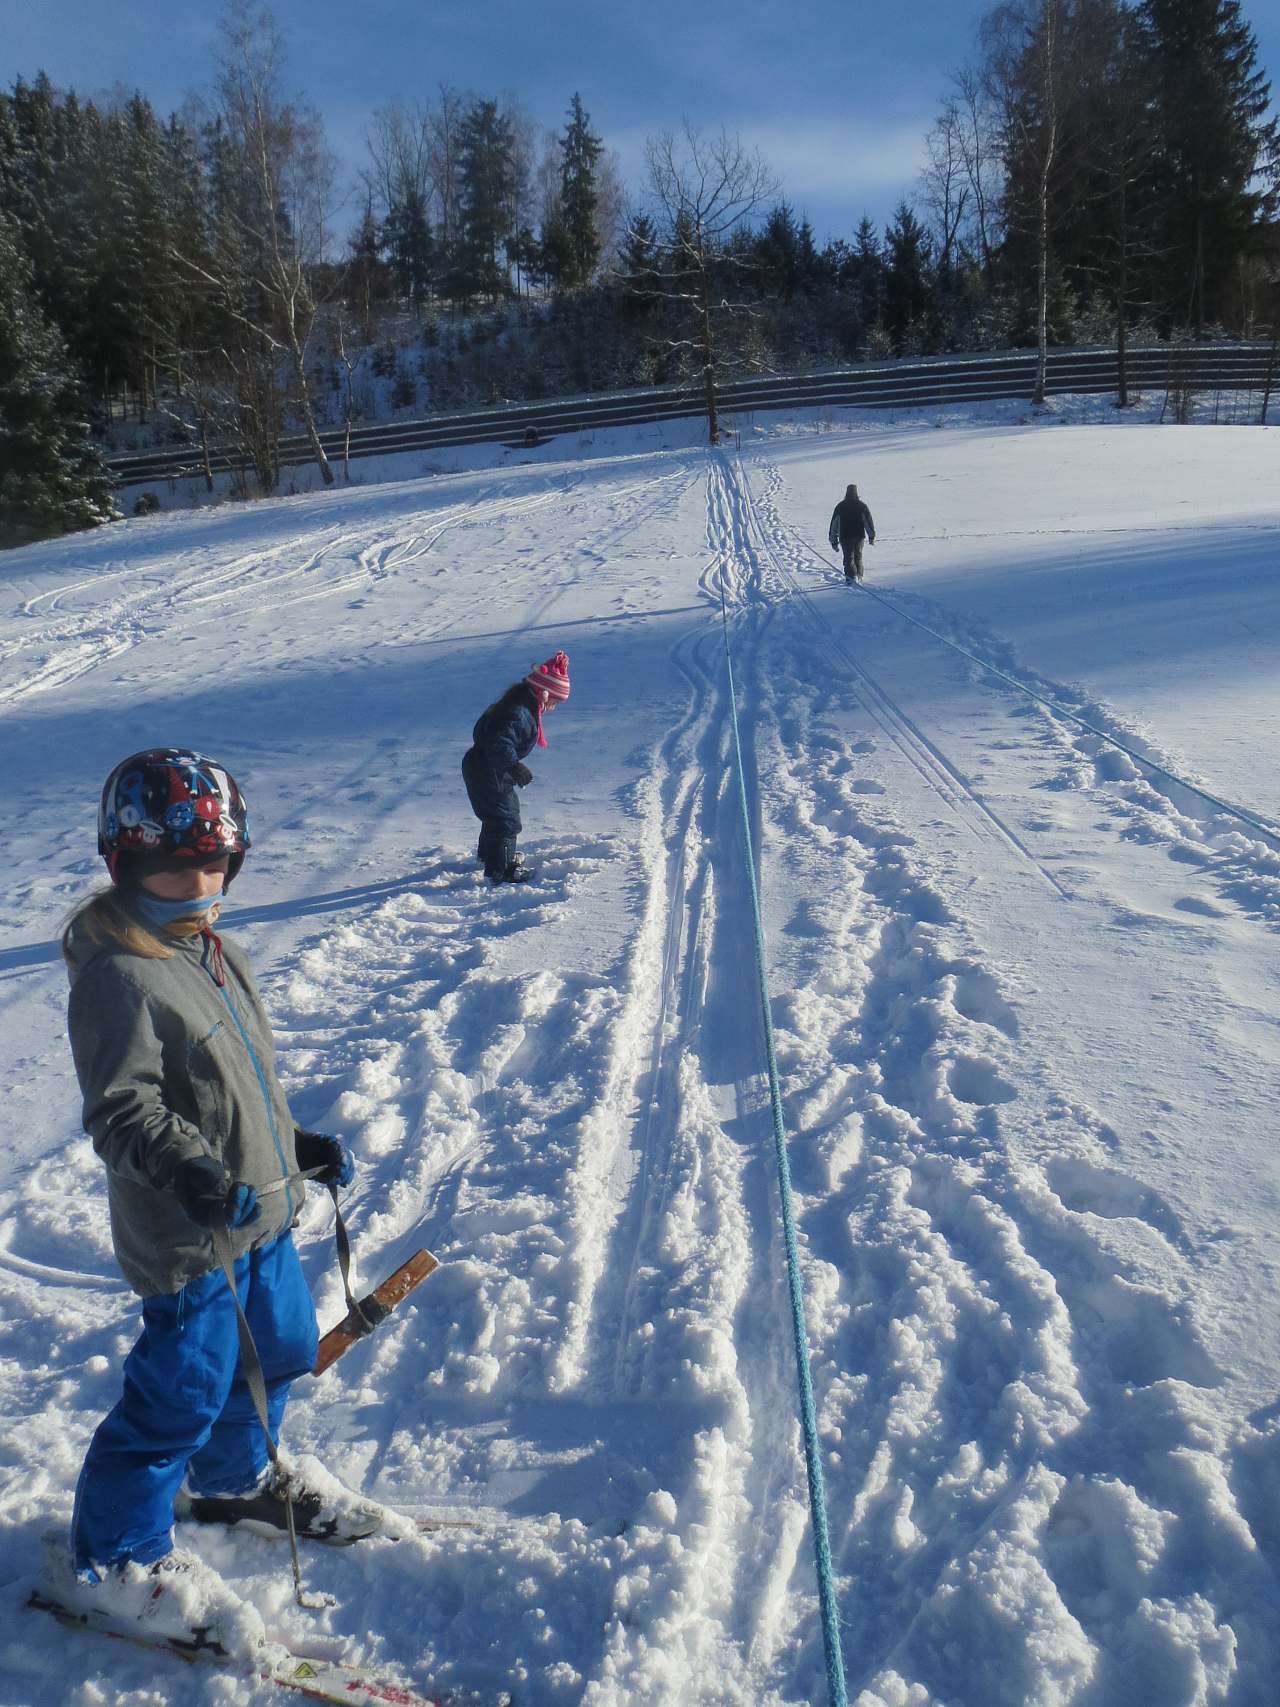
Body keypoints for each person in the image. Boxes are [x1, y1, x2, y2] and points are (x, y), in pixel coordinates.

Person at [55, 747, 373, 1641]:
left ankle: (234, 1479)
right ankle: (116, 1557)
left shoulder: (214, 951)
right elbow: (123, 1109)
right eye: (173, 864)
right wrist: (191, 1170)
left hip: (260, 1217)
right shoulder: (120, 974)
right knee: (180, 1396)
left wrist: (294, 1145)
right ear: (125, 862)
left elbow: (237, 1083)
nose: (197, 883)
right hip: (191, 1238)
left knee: (280, 1352)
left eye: (213, 863)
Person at [462, 649, 571, 885]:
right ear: (543, 694)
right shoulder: (518, 713)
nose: (554, 707)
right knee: (506, 819)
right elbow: (499, 742)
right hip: (490, 769)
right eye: (554, 701)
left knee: (496, 815)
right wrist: (513, 766)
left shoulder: (516, 704)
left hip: (482, 765)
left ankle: (488, 856)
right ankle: (501, 870)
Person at [828, 483, 877, 582]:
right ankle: (859, 576)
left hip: (845, 536)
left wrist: (833, 541)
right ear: (856, 493)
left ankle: (851, 578)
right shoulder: (862, 506)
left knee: (848, 558)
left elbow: (834, 524)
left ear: (846, 493)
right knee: (858, 556)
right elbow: (868, 522)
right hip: (859, 536)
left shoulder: (840, 506)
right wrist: (871, 536)